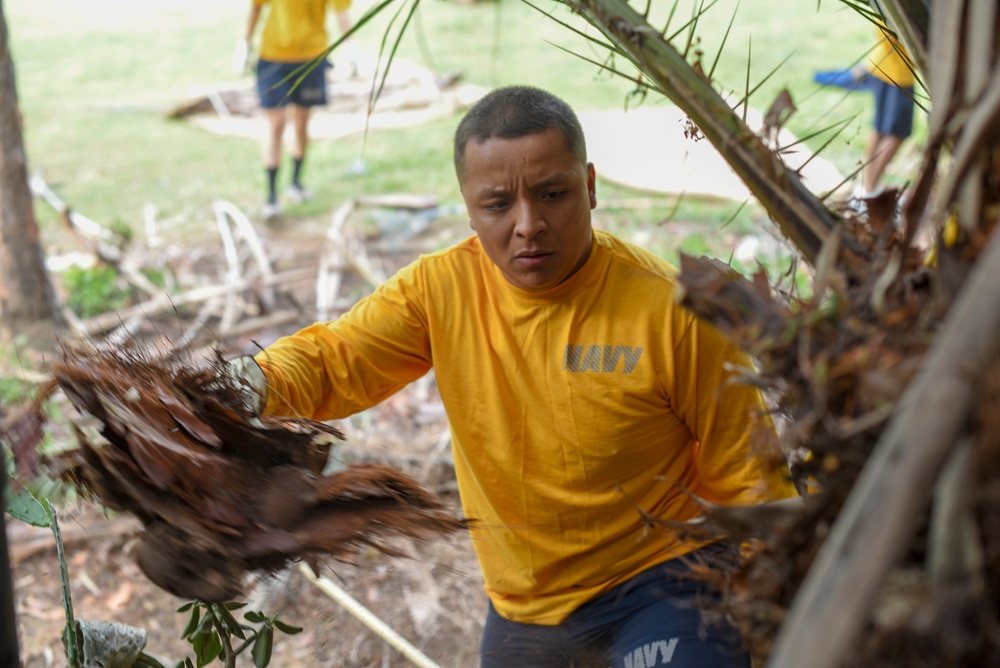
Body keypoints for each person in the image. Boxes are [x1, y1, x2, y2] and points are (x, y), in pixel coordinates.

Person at [232, 86, 797, 667]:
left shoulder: (673, 312)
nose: (529, 225)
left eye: (553, 194)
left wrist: (773, 610)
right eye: (498, 205)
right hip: (524, 607)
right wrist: (245, 386)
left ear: (592, 187)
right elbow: (335, 360)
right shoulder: (438, 291)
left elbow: (752, 479)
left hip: (664, 581)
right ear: (468, 206)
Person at [236, 0, 353, 220]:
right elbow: (257, 6)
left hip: (311, 56)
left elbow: (341, 11)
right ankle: (271, 195)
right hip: (274, 56)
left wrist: (351, 45)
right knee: (276, 123)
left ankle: (296, 183)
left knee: (301, 122)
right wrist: (245, 42)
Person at [856, 24, 916, 201]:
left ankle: (867, 187)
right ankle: (869, 190)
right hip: (899, 73)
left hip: (880, 62)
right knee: (897, 134)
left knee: (880, 129)